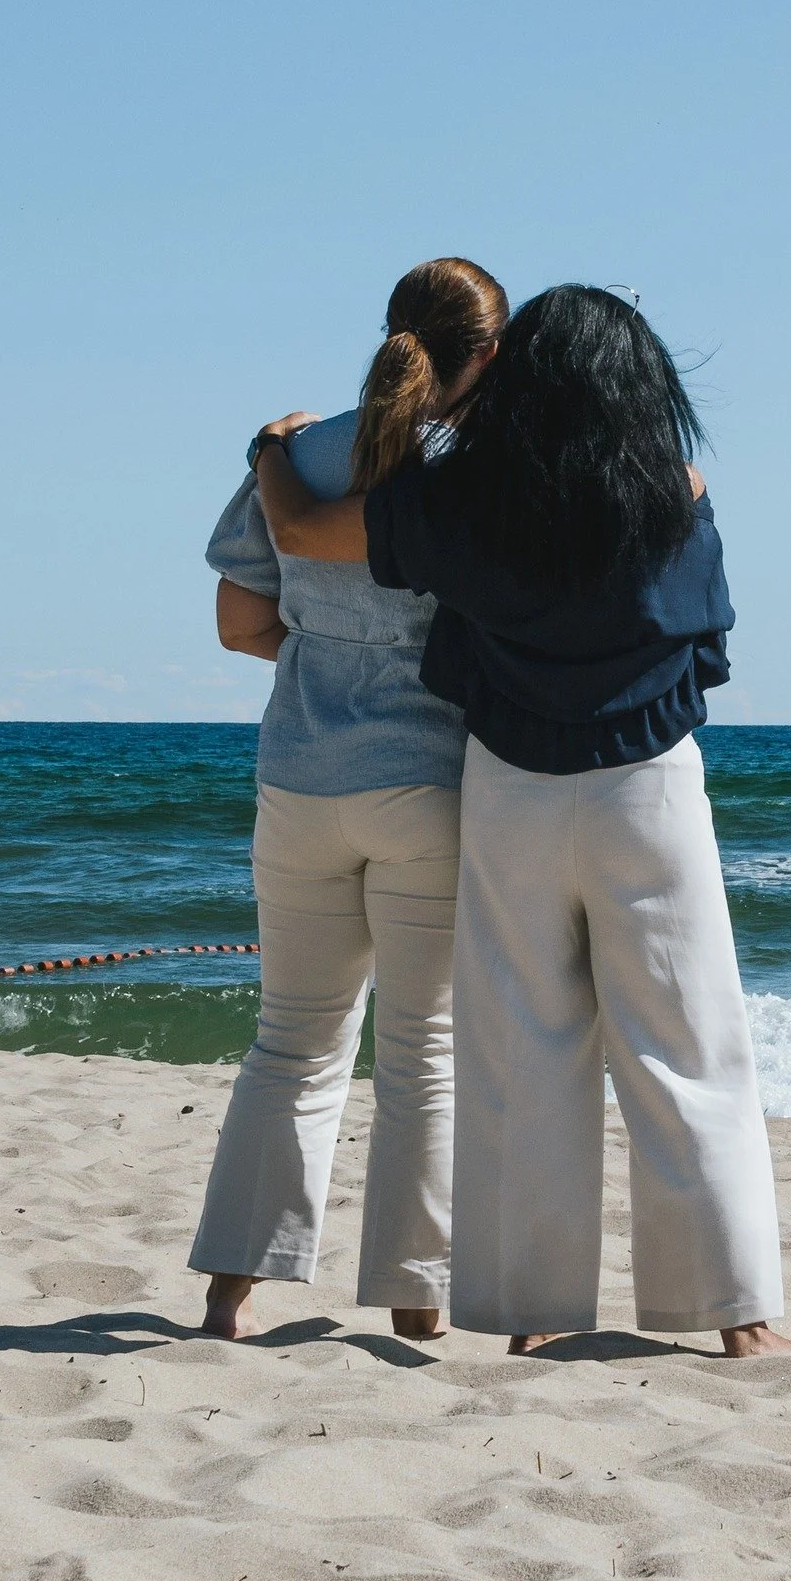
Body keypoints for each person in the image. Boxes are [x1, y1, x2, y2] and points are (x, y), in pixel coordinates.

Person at [252, 285, 791, 1358]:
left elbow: (302, 528)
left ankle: (530, 1314)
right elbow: (708, 643)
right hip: (645, 783)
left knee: (518, 1047)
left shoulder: (462, 498)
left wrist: (268, 449)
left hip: (508, 777)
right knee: (687, 1042)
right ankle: (737, 1319)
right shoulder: (673, 489)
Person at [190, 257, 507, 1341]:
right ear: (488, 354)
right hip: (426, 783)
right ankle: (415, 1298)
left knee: (293, 1040)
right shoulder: (476, 469)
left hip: (299, 780)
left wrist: (322, 652)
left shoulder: (300, 450)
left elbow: (239, 625)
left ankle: (233, 1288)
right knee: (422, 1049)